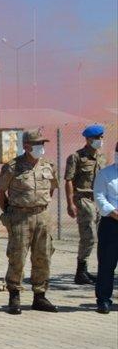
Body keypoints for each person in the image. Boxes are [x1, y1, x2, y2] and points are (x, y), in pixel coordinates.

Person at [0, 129, 60, 315]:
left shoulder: (48, 165)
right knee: (17, 256)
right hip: (20, 217)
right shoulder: (12, 167)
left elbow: (52, 189)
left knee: (43, 256)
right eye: (38, 144)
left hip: (42, 216)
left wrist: (41, 205)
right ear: (26, 146)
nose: (42, 148)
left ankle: (39, 296)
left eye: (43, 144)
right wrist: (8, 212)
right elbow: (0, 192)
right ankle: (14, 295)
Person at [65, 124, 108, 284]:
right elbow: (69, 180)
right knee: (88, 235)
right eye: (97, 138)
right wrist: (70, 204)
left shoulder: (102, 157)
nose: (100, 140)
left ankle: (85, 270)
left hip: (99, 199)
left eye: (101, 137)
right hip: (84, 198)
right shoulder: (76, 157)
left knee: (99, 235)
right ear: (88, 139)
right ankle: (80, 271)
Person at [93, 139, 118, 314]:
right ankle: (103, 300)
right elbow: (100, 198)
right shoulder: (105, 174)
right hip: (111, 224)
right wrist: (115, 213)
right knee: (107, 264)